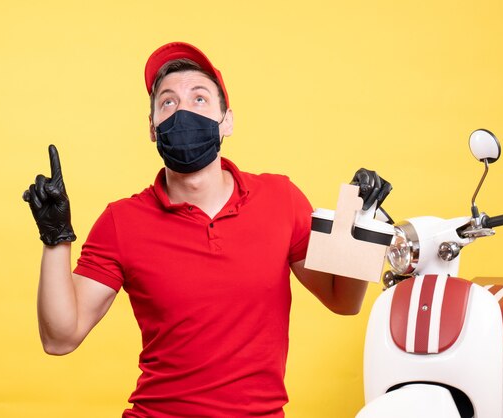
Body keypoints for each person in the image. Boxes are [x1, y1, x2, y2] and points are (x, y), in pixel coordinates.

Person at [23, 41, 389, 418]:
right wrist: (55, 238)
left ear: (226, 120)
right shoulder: (122, 221)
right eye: (168, 102)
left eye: (199, 99)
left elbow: (343, 301)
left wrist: (360, 221)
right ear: (152, 128)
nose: (183, 111)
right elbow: (59, 339)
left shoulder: (281, 198)